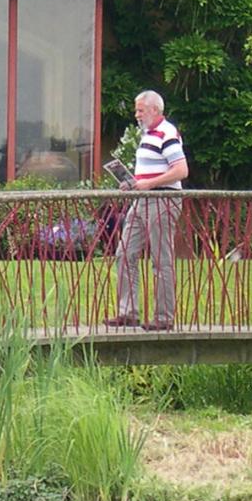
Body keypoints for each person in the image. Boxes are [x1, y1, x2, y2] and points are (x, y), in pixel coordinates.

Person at [105, 89, 189, 330]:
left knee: (161, 260)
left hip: (163, 199)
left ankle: (164, 318)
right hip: (142, 199)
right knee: (124, 253)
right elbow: (151, 172)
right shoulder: (148, 134)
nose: (136, 115)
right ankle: (128, 312)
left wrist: (148, 184)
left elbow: (181, 170)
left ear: (154, 109)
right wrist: (133, 183)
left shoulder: (167, 132)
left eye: (140, 110)